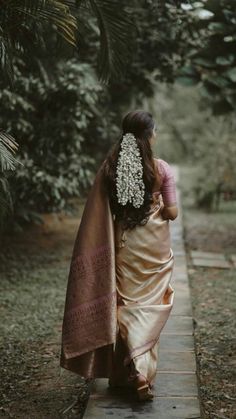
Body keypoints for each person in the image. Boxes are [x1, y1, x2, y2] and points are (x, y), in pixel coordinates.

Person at [60, 110, 178, 402]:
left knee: (126, 305)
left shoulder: (112, 167)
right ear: (149, 135)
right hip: (155, 249)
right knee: (151, 305)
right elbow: (172, 213)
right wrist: (161, 206)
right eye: (155, 131)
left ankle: (127, 373)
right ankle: (140, 369)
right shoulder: (161, 168)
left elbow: (103, 211)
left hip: (126, 246)